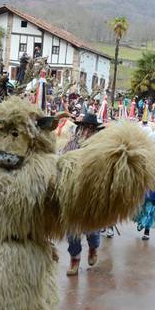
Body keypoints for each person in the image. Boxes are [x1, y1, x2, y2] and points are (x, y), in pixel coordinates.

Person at [62, 113, 105, 275]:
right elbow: (61, 161)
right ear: (80, 128)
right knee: (72, 233)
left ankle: (93, 248)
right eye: (85, 127)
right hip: (71, 195)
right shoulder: (71, 144)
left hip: (92, 196)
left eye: (92, 128)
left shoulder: (101, 148)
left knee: (92, 232)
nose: (87, 131)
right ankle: (75, 260)